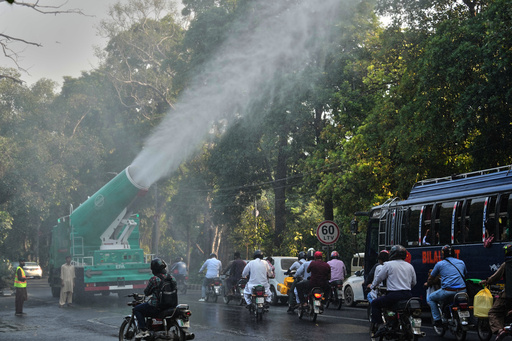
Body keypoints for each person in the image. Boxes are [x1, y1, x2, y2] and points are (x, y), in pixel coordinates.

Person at [370, 245, 416, 335]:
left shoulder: (388, 265)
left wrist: (372, 286)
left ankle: (381, 325)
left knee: (375, 303)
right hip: (408, 295)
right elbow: (414, 282)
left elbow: (379, 278)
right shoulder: (409, 266)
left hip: (393, 295)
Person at [133, 258, 177, 339]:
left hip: (157, 307)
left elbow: (147, 292)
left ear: (154, 269)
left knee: (137, 309)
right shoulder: (172, 278)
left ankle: (143, 331)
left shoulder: (154, 279)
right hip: (171, 307)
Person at [427, 244, 467, 327]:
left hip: (448, 291)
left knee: (431, 298)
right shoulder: (461, 262)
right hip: (463, 290)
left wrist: (428, 283)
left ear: (443, 254)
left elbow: (431, 277)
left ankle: (437, 320)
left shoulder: (439, 264)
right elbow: (465, 274)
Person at [480, 244, 512, 338]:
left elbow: (494, 277)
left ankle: (500, 330)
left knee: (493, 312)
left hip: (508, 296)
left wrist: (486, 281)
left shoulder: (506, 264)